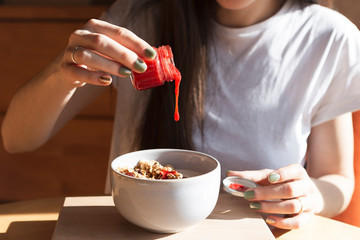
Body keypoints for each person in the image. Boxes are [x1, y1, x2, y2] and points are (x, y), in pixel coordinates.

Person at [1, 0, 360, 230]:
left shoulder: (330, 38)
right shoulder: (137, 18)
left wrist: (306, 194)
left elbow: (338, 181)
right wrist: (63, 73)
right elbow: (16, 139)